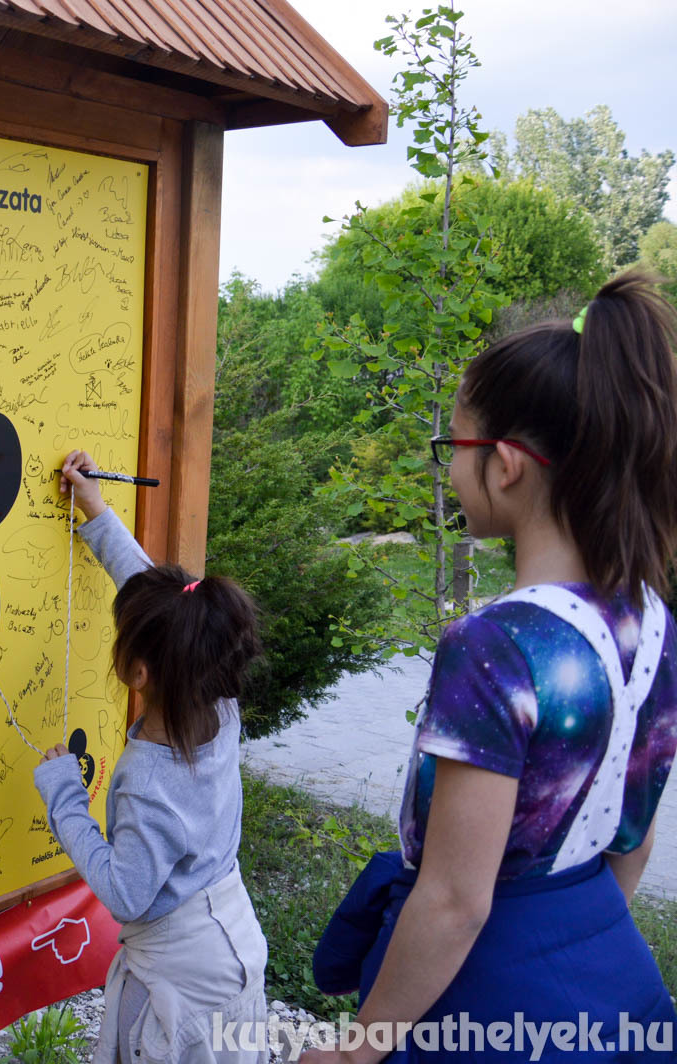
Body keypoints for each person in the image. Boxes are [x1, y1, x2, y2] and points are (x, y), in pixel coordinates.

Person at [303, 272, 677, 1063]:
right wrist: (570, 946)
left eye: (455, 448)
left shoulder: (495, 645)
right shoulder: (653, 618)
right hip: (609, 975)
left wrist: (357, 1052)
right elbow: (632, 839)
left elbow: (453, 899)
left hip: (482, 1003)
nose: (449, 470)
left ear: (506, 464)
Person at [35, 449, 268, 1064]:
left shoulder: (147, 778)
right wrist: (95, 513)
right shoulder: (218, 705)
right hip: (233, 941)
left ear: (137, 669)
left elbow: (126, 894)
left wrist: (65, 795)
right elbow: (165, 607)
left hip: (178, 980)